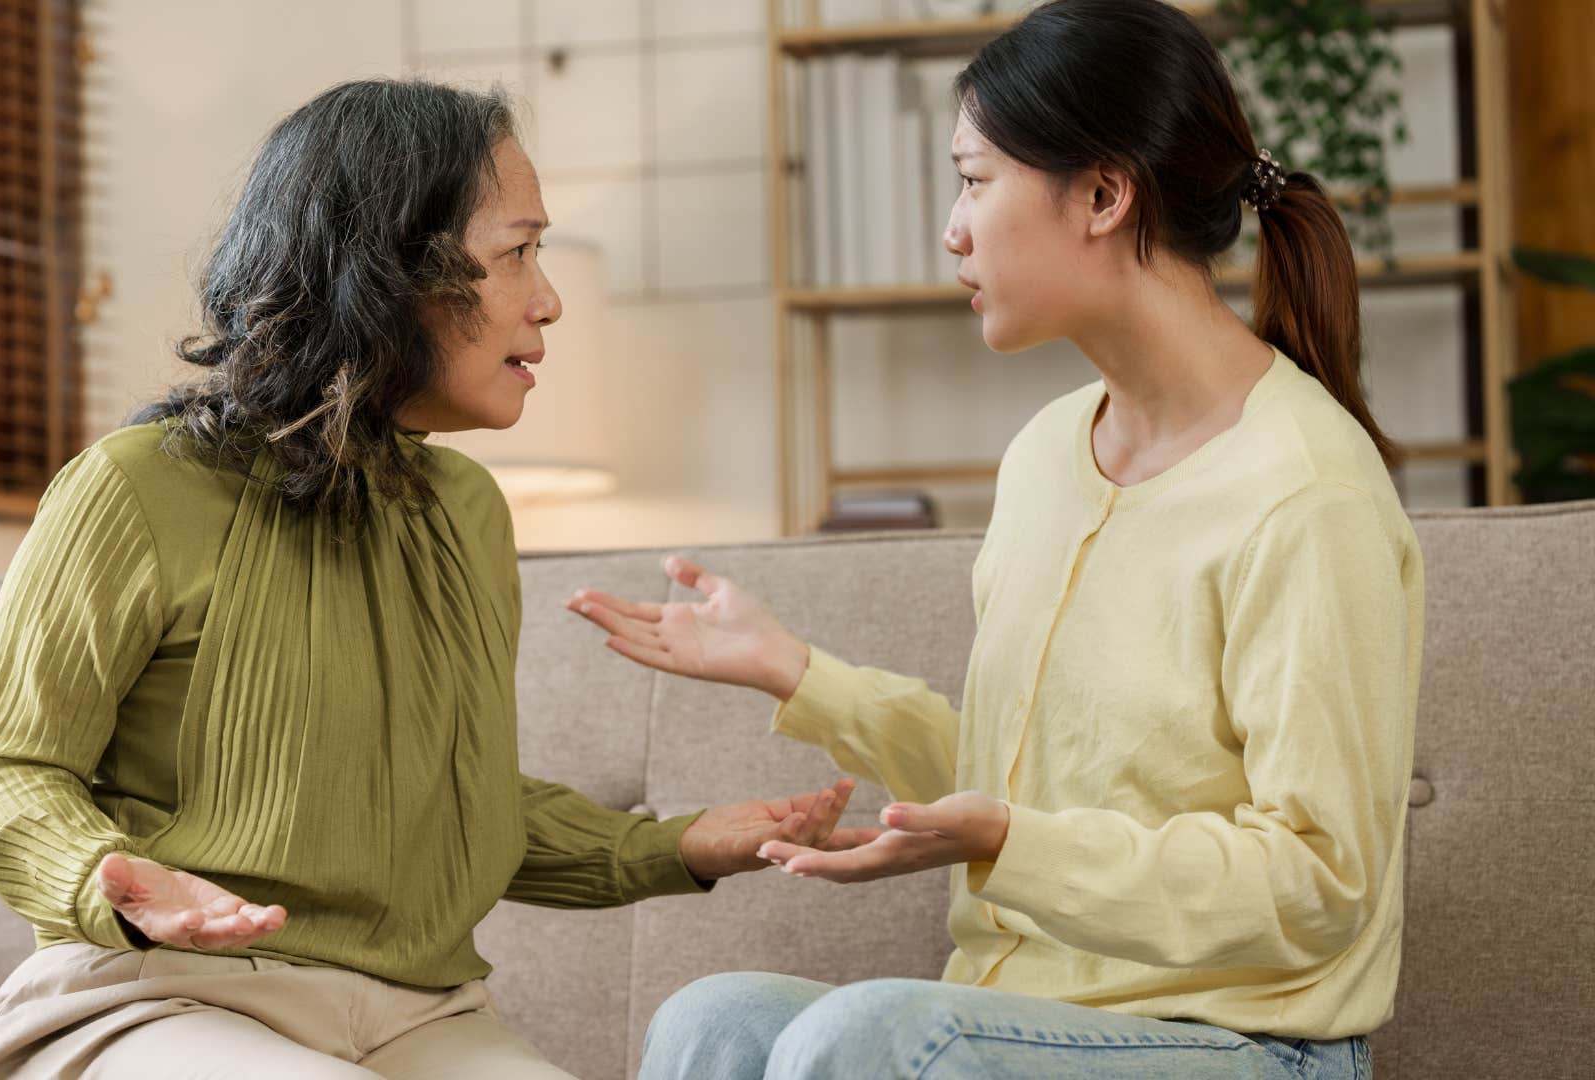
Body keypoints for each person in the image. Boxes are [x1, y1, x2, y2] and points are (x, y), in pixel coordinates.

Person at [0, 78, 871, 1080]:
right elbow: (9, 771)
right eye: (517, 252)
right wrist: (104, 874)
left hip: (421, 1018)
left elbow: (456, 805)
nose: (548, 298)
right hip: (155, 1000)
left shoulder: (465, 511)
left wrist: (683, 845)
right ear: (389, 270)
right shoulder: (135, 488)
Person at [570, 2, 1420, 1077]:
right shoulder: (1045, 458)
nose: (952, 228)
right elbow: (1012, 783)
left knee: (869, 1036)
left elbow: (1319, 887)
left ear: (1105, 195)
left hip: (1244, 1045)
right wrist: (793, 672)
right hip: (1015, 1016)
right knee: (713, 1019)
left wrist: (1013, 845)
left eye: (975, 179)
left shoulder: (1304, 492)